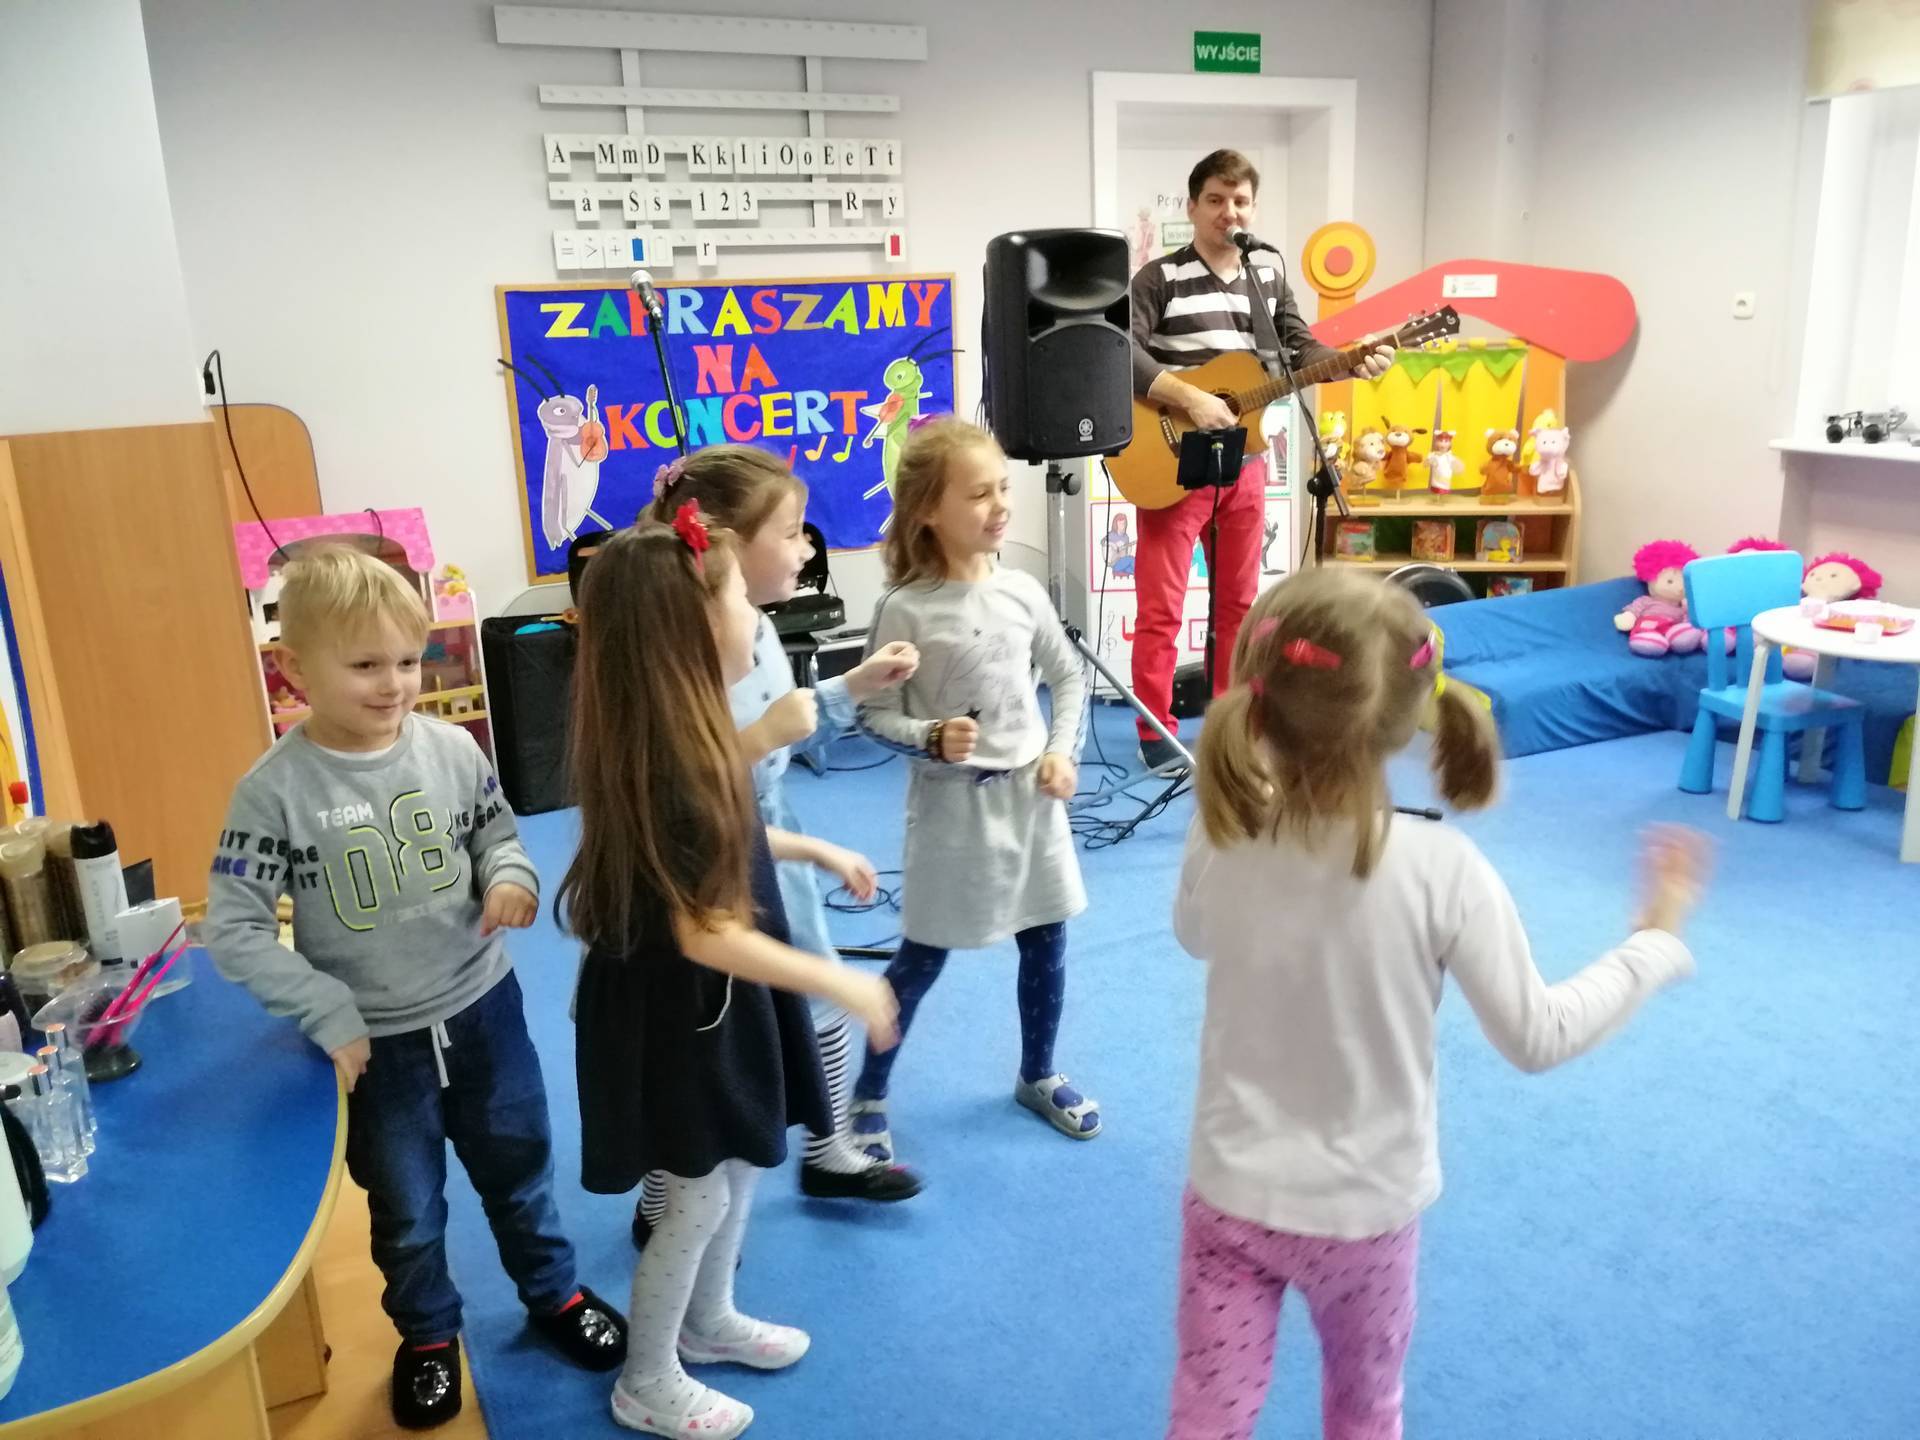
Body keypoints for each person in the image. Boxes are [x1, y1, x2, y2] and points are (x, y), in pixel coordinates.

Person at [1168, 566, 1709, 1440]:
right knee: (1365, 1414)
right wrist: (1653, 942)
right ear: (1412, 712)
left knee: (1207, 1415)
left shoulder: (1224, 828)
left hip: (1231, 1196)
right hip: (1368, 1215)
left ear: (1257, 703)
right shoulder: (1444, 869)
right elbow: (1539, 1036)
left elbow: (1195, 936)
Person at [205, 545, 626, 1431]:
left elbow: (495, 835)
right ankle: (429, 1335)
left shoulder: (451, 749)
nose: (395, 684)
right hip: (378, 1047)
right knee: (406, 1209)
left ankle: (552, 1292)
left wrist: (509, 876)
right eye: (365, 666)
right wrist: (326, 1010)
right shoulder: (272, 792)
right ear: (294, 671)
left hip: (484, 1011)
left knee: (522, 1169)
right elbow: (234, 928)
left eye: (408, 660)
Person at [562, 512, 900, 1438]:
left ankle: (708, 1322)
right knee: (696, 1193)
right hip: (681, 1012)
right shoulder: (670, 761)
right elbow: (705, 930)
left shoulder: (693, 730)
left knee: (746, 1158)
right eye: (736, 595)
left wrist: (811, 847)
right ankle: (646, 1377)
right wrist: (841, 984)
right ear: (690, 629)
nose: (753, 610)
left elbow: (732, 838)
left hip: (717, 1002)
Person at [618, 446, 923, 1248]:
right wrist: (760, 739)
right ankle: (662, 1192)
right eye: (789, 532)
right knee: (701, 1042)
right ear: (723, 543)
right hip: (706, 856)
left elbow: (787, 719)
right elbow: (684, 783)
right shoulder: (680, 647)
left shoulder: (753, 626)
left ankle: (828, 1150)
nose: (805, 547)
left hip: (766, 840)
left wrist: (853, 685)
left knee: (815, 995)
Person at [852, 416, 1100, 1170]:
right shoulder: (905, 609)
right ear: (929, 510)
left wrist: (1059, 752)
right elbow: (871, 713)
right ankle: (867, 1095)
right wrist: (929, 736)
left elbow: (1068, 675)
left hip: (1032, 807)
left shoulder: (1021, 591)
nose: (1000, 506)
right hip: (952, 814)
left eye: (1002, 489)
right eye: (979, 494)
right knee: (921, 959)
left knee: (1047, 938)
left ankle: (1037, 1074)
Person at [1128, 148, 1396, 772]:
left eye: (1241, 201)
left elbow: (1300, 348)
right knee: (1162, 608)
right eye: (1216, 200)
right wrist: (1189, 397)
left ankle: (1233, 723)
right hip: (1173, 461)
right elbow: (1121, 352)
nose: (1230, 212)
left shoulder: (1266, 273)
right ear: (1193, 206)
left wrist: (1352, 360)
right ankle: (1155, 730)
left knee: (1241, 607)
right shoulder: (1159, 278)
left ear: (1253, 208)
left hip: (1245, 461)